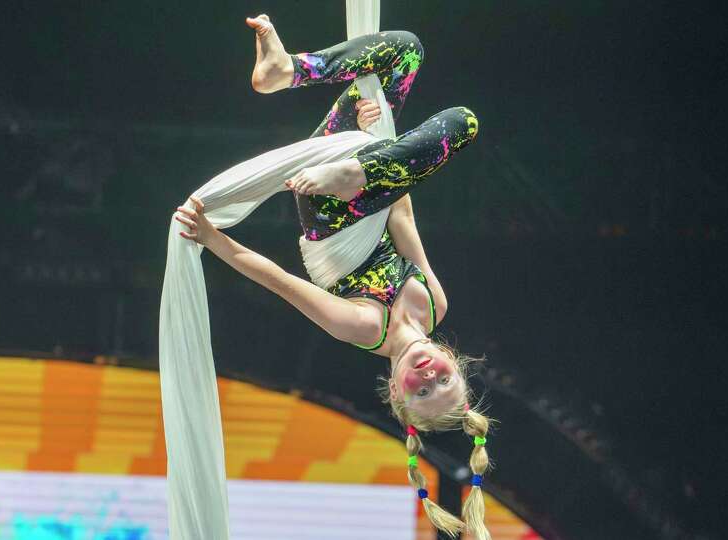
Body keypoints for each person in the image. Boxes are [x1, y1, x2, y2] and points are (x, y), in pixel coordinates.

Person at [174, 15, 492, 538]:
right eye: (443, 378)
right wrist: (378, 143)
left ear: (396, 391)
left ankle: (354, 174)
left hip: (327, 212)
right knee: (405, 53)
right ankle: (286, 70)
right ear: (454, 362)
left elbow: (279, 280)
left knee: (464, 123)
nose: (428, 373)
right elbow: (403, 218)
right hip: (366, 182)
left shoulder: (365, 329)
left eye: (421, 388)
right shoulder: (435, 303)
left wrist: (212, 238)